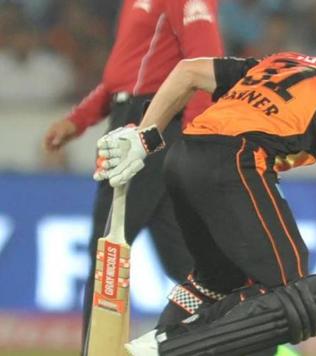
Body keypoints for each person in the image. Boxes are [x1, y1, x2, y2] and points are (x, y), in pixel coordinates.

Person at [94, 7, 316, 355]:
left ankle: (163, 338)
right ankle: (167, 345)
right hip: (238, 162)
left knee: (214, 282)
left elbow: (188, 72)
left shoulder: (286, 60)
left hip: (183, 156)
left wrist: (144, 137)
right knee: (287, 291)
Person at [40, 0, 224, 352]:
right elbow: (119, 80)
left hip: (149, 128)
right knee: (184, 261)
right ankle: (251, 333)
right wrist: (77, 120)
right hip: (134, 118)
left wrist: (195, 139)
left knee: (106, 249)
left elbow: (207, 68)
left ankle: (94, 350)